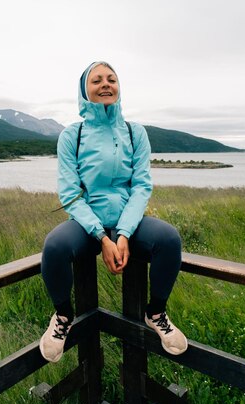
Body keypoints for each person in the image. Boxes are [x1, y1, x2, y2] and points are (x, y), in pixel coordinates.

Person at [39, 61, 188, 363]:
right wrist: (101, 237)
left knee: (169, 240)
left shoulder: (135, 133)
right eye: (96, 80)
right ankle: (63, 317)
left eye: (111, 79)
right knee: (54, 246)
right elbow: (69, 194)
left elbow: (142, 186)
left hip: (127, 222)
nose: (105, 84)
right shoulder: (72, 135)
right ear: (85, 90)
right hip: (86, 224)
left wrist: (123, 233)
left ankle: (156, 313)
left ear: (119, 87)